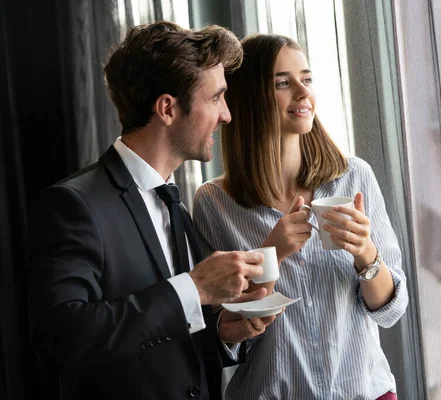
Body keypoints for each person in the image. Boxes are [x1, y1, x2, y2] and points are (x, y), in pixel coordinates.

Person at [26, 21, 276, 400]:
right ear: (167, 108)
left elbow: (168, 345)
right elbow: (64, 338)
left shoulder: (174, 204)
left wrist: (224, 331)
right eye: (215, 98)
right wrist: (193, 289)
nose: (226, 115)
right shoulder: (74, 205)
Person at [193, 33, 409, 400]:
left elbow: (390, 311)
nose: (303, 92)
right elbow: (221, 331)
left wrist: (365, 254)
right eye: (283, 83)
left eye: (306, 79)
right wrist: (269, 256)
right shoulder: (215, 203)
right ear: (249, 99)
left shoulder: (355, 177)